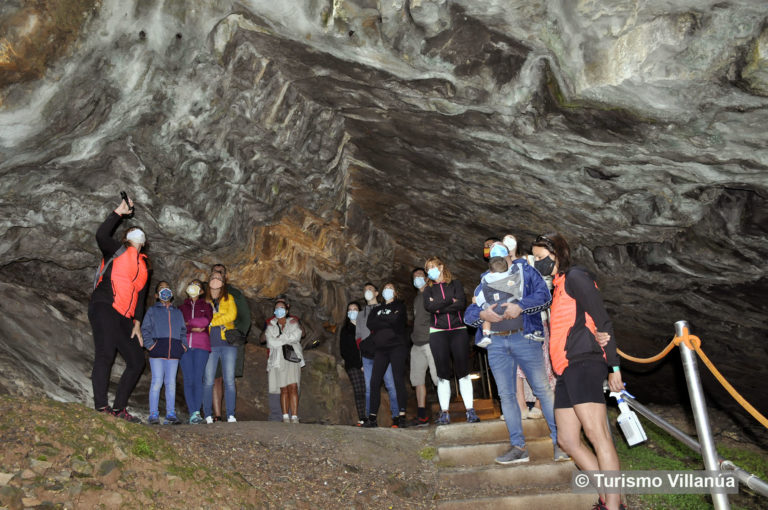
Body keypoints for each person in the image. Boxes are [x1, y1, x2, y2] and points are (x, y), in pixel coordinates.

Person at [531, 233, 624, 510]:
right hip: (566, 369)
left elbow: (602, 318)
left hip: (584, 362)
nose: (538, 263)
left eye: (540, 258)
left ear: (556, 254)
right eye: (535, 259)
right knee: (568, 440)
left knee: (598, 435)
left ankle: (614, 505)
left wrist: (614, 366)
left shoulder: (576, 277)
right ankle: (608, 497)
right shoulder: (557, 286)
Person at [464, 240, 566, 464]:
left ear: (510, 253)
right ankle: (518, 447)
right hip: (496, 345)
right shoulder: (484, 281)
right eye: (493, 254)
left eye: (501, 251)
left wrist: (520, 306)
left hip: (525, 337)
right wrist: (482, 316)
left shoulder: (526, 272)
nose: (497, 256)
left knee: (542, 389)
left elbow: (544, 297)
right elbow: (469, 313)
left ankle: (561, 443)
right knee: (507, 396)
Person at [89, 197, 149, 423]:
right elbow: (101, 235)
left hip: (125, 317)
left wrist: (138, 323)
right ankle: (101, 407)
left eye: (140, 232)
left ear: (144, 242)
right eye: (133, 230)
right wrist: (119, 213)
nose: (137, 233)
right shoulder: (117, 250)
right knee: (105, 354)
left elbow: (141, 297)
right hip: (104, 306)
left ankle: (119, 409)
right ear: (127, 238)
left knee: (136, 360)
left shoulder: (145, 267)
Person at [423, 257, 478, 425]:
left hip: (458, 330)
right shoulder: (427, 290)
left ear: (441, 267)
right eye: (427, 269)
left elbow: (461, 304)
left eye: (433, 267)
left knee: (463, 371)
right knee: (442, 373)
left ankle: (470, 410)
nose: (430, 271)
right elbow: (429, 307)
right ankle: (445, 412)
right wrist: (449, 301)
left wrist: (439, 305)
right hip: (438, 332)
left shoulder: (456, 284)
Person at [141, 281, 187, 425]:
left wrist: (183, 346)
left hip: (173, 352)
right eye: (161, 288)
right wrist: (151, 346)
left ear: (171, 293)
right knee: (156, 382)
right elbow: (145, 329)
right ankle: (153, 414)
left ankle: (170, 414)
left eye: (167, 288)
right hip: (157, 352)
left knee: (171, 383)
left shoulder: (177, 312)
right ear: (156, 295)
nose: (165, 290)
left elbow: (183, 331)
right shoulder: (152, 311)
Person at [364, 283, 409, 428]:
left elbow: (397, 322)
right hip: (381, 349)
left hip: (397, 346)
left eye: (391, 288)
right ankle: (372, 417)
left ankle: (401, 415)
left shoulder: (400, 306)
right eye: (385, 288)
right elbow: (370, 324)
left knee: (397, 380)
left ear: (395, 292)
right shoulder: (377, 309)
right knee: (374, 381)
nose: (387, 290)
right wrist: (387, 320)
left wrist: (382, 322)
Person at [209, 264, 250, 422]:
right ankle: (217, 414)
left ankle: (231, 413)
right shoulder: (206, 294)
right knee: (215, 378)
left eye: (221, 273)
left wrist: (237, 336)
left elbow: (245, 318)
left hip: (230, 341)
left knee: (228, 377)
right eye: (215, 273)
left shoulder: (234, 294)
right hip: (212, 340)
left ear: (225, 277)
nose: (218, 275)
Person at [356, 283, 400, 426]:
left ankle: (397, 417)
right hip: (367, 356)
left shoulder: (383, 309)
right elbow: (358, 337)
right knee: (369, 388)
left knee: (390, 385)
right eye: (364, 290)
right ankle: (371, 419)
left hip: (384, 352)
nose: (367, 292)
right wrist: (361, 359)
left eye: (370, 289)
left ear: (376, 293)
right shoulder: (360, 315)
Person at [202, 271, 238, 424]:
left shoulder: (229, 298)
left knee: (229, 380)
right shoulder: (204, 301)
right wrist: (214, 319)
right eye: (213, 278)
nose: (215, 280)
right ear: (208, 281)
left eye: (219, 278)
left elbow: (232, 316)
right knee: (208, 380)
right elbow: (203, 318)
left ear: (223, 282)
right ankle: (207, 414)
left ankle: (230, 414)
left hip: (228, 344)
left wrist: (212, 320)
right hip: (209, 344)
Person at [264, 298, 304, 423]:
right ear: (274, 311)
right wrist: (286, 338)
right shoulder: (271, 325)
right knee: (283, 388)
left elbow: (296, 336)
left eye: (282, 308)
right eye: (277, 308)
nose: (279, 310)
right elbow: (270, 342)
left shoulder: (293, 322)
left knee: (293, 386)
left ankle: (295, 416)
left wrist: (280, 338)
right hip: (278, 359)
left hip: (292, 357)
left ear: (287, 310)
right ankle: (285, 416)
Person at [179, 279, 213, 424]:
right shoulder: (180, 308)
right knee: (188, 379)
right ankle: (192, 411)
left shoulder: (206, 306)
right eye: (191, 284)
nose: (194, 287)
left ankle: (196, 412)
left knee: (198, 378)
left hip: (201, 346)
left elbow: (205, 322)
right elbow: (179, 325)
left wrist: (189, 323)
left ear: (202, 291)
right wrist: (192, 326)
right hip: (184, 345)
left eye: (197, 285)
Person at [408, 268, 438, 427]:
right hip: (417, 343)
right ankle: (422, 416)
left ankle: (444, 411)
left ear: (427, 278)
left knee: (437, 378)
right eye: (415, 277)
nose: (417, 278)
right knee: (417, 380)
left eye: (420, 275)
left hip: (431, 341)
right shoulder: (416, 298)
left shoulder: (432, 293)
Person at [473, 256, 523, 348]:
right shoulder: (514, 277)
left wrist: (476, 300)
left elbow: (481, 297)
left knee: (485, 313)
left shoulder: (487, 280)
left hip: (494, 310)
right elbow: (520, 292)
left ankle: (486, 335)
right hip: (509, 307)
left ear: (490, 270)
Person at [339, 301, 366, 426]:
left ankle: (371, 416)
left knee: (369, 390)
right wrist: (359, 364)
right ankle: (362, 417)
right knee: (359, 390)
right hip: (353, 365)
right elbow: (345, 351)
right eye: (350, 309)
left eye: (355, 309)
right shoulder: (345, 330)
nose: (352, 312)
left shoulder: (365, 327)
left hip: (367, 363)